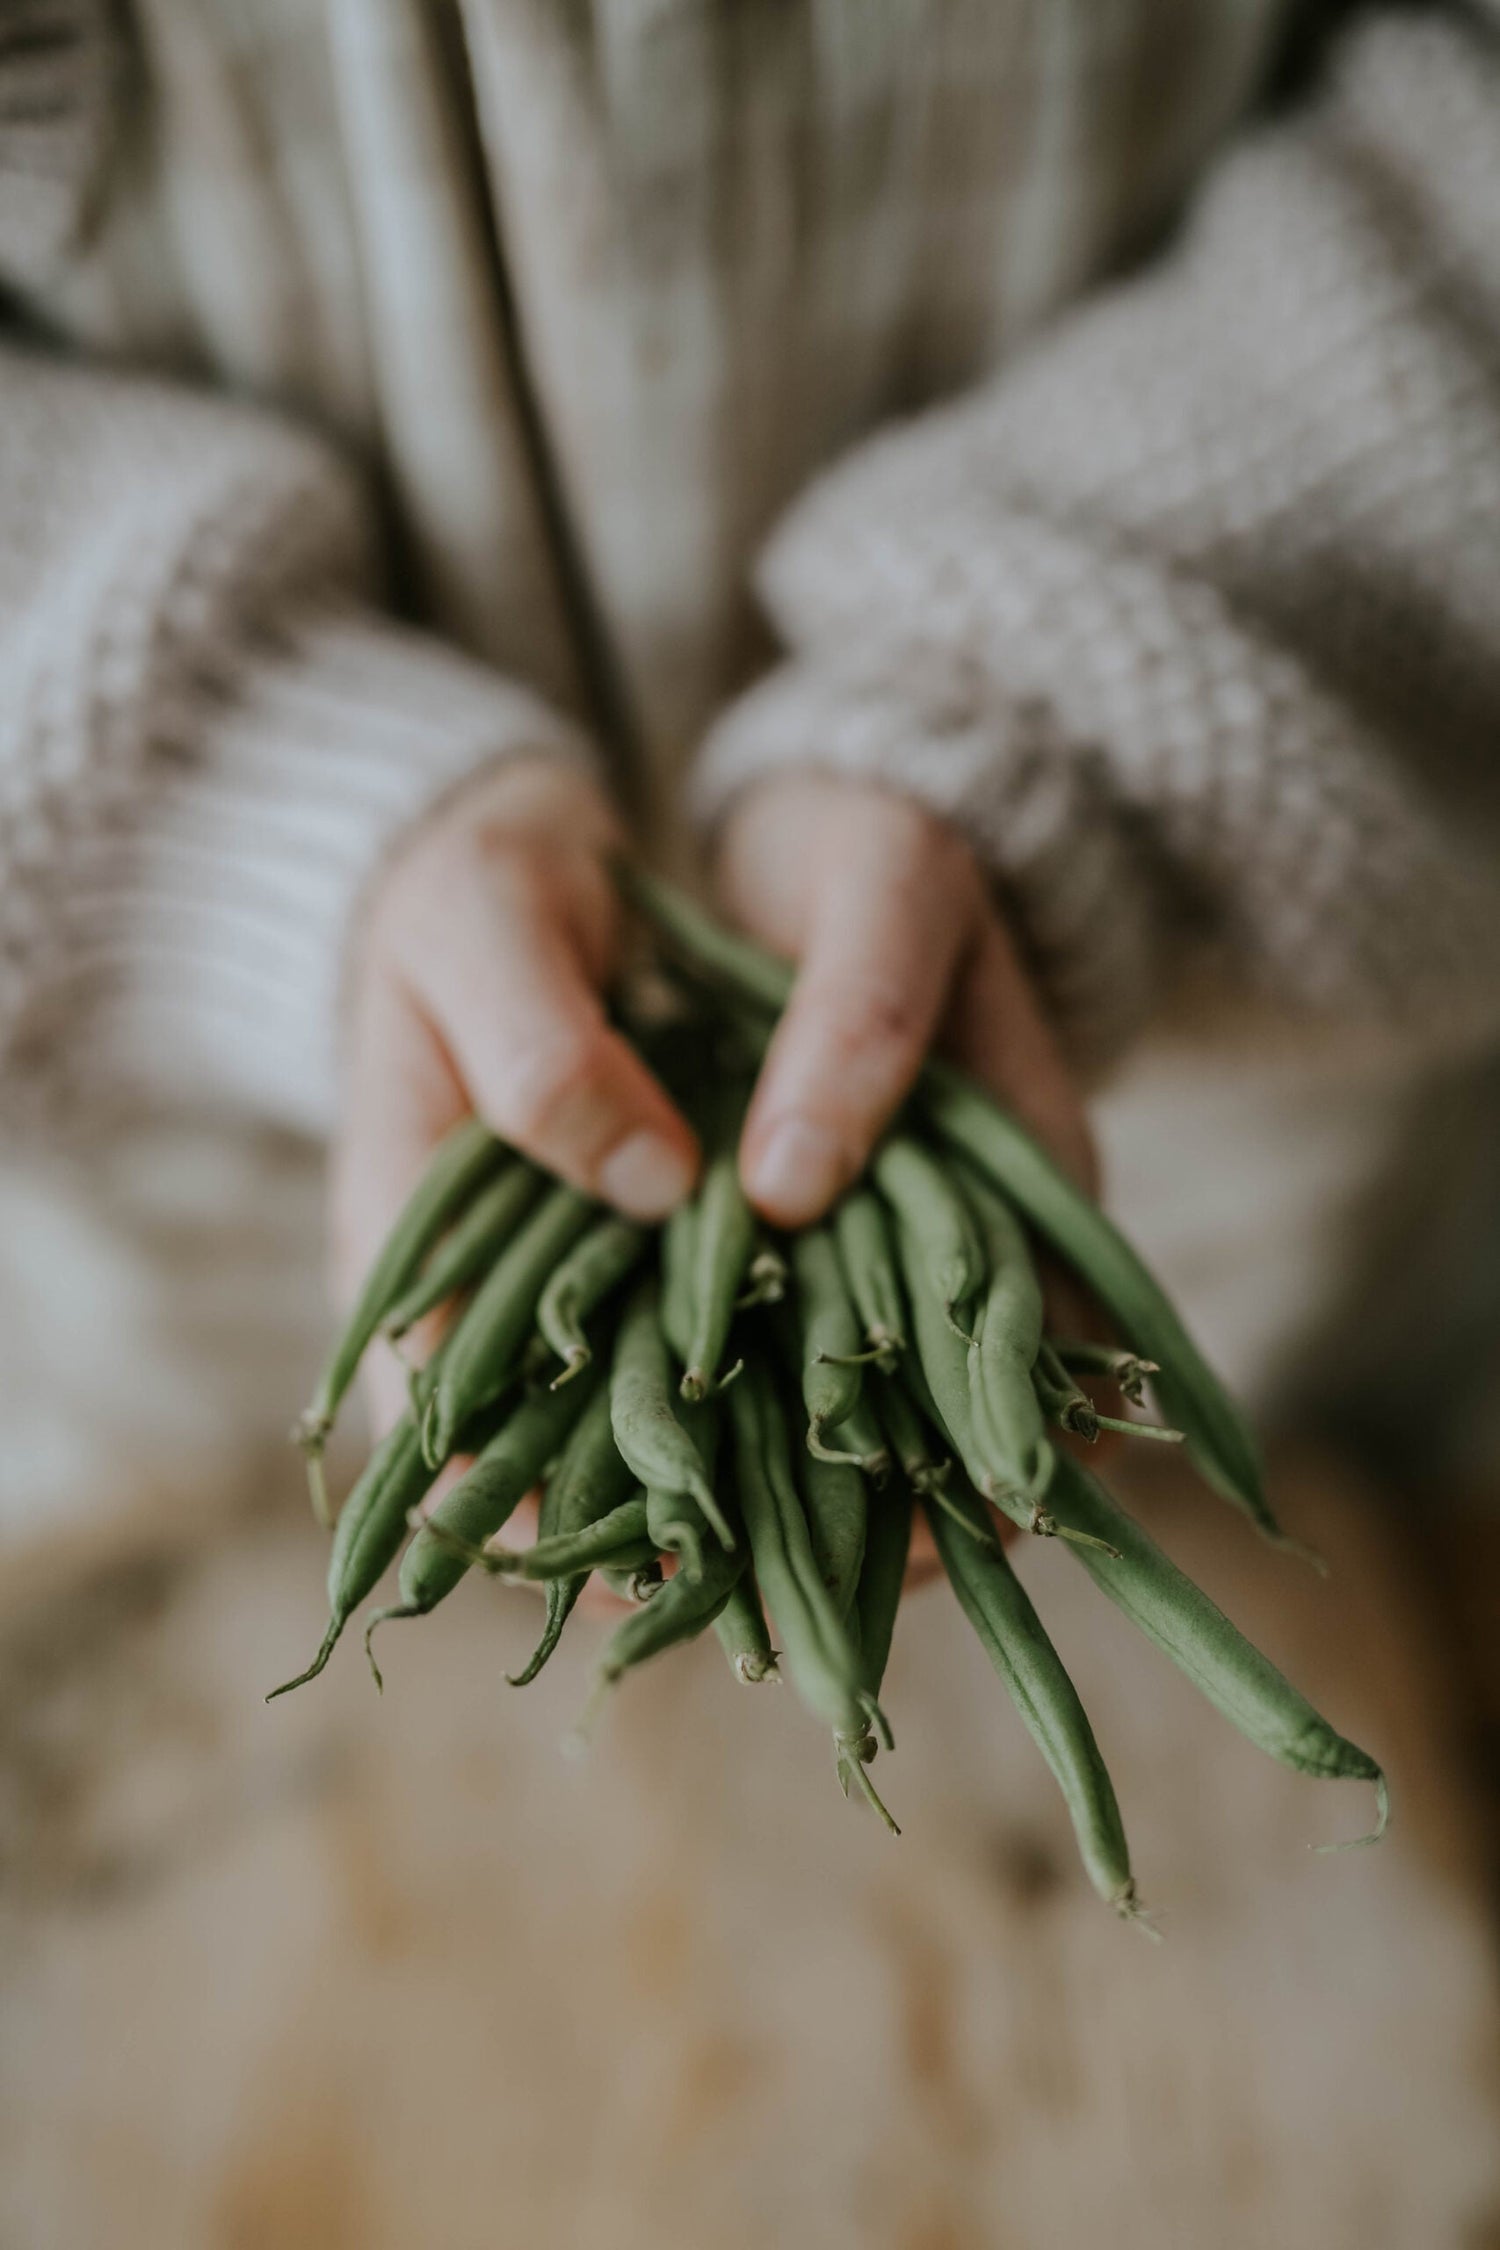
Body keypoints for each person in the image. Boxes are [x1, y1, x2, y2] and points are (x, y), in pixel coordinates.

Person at [1, 0, 1497, 1443]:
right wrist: (230, 790)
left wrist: (1036, 722)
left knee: (1266, 1464)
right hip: (176, 1211)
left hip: (1240, 1118)